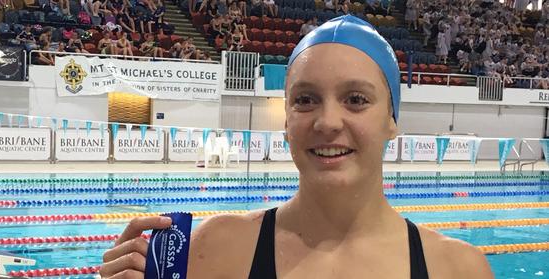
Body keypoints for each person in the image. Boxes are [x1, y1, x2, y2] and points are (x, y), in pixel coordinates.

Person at [100, 15, 494, 279]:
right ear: (287, 122)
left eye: (356, 99)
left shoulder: (458, 268)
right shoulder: (216, 249)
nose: (327, 122)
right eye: (305, 100)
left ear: (392, 120)